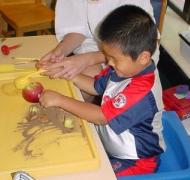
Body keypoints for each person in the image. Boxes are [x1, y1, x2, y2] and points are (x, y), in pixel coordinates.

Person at [39, 5, 165, 176]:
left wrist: (60, 100)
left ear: (143, 57)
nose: (109, 63)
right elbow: (95, 86)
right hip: (113, 147)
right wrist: (69, 75)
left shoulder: (142, 90)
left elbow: (102, 116)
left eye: (113, 58)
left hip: (136, 162)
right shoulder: (122, 68)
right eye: (108, 57)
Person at [37, 0, 159, 81]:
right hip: (95, 42)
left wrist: (88, 59)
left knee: (83, 76)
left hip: (131, 50)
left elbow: (135, 44)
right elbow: (77, 28)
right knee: (78, 75)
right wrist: (60, 51)